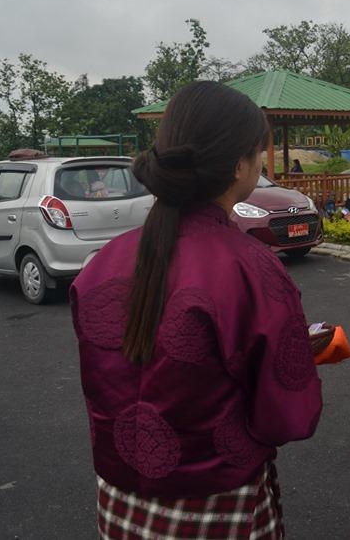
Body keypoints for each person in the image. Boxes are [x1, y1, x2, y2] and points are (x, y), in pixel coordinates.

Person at [70, 81, 325, 539]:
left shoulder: (101, 263)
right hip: (216, 503)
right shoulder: (252, 269)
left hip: (118, 499)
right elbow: (286, 416)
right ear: (238, 164)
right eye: (260, 152)